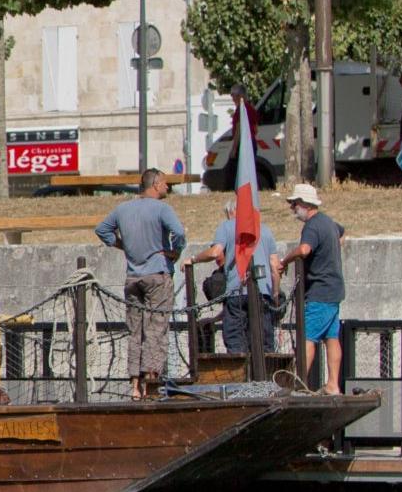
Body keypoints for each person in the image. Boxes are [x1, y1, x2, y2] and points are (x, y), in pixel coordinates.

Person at [95, 169, 188, 400]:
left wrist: (122, 245)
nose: (168, 187)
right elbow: (179, 232)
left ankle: (134, 385)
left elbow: (102, 230)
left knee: (135, 332)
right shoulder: (162, 209)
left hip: (132, 277)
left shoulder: (123, 209)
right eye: (165, 183)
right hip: (157, 274)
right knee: (156, 330)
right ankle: (151, 384)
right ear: (155, 184)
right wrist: (174, 252)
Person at [275, 182, 347, 394]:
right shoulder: (329, 223)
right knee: (331, 338)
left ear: (305, 204)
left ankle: (298, 385)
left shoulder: (313, 225)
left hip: (319, 292)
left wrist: (285, 261)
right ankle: (333, 384)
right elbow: (341, 234)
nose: (292, 208)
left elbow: (305, 250)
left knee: (307, 337)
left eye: (294, 204)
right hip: (334, 290)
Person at [190, 215, 281, 358]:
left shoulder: (226, 227)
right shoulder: (265, 230)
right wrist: (275, 293)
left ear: (230, 212)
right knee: (264, 342)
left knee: (236, 341)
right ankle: (266, 377)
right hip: (263, 293)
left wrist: (193, 259)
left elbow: (215, 252)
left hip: (236, 292)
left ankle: (240, 378)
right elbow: (275, 268)